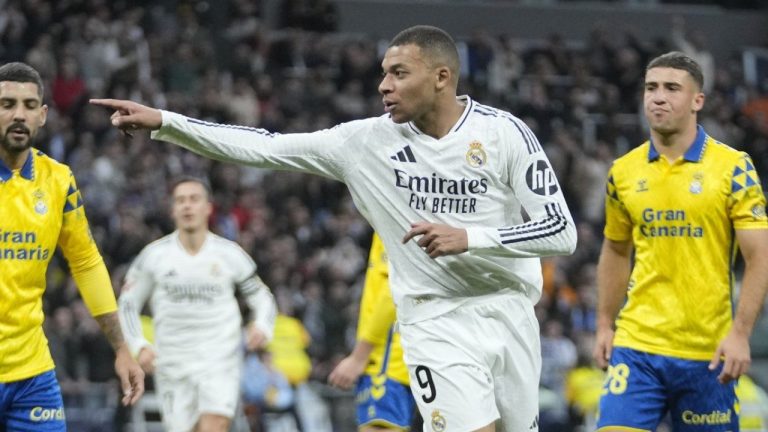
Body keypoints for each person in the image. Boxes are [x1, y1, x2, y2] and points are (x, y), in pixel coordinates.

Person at [92, 24, 577, 432]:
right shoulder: (363, 143)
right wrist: (167, 122)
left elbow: (561, 231)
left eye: (398, 73)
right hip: (434, 319)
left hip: (511, 311)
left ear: (441, 78)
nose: (383, 85)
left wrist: (470, 237)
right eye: (383, 74)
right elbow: (267, 146)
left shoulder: (503, 133)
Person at [592, 51, 768, 431]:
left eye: (672, 88)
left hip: (707, 354)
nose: (658, 97)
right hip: (637, 347)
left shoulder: (734, 168)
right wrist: (605, 323)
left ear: (697, 101)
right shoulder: (622, 172)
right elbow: (615, 249)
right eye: (651, 88)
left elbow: (760, 257)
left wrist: (740, 334)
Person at [0, 61, 144, 431]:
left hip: (32, 373)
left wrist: (121, 349)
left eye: (30, 105)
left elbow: (86, 263)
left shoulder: (58, 180)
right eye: (7, 104)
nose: (19, 115)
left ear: (43, 115)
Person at [117, 176, 277, 432]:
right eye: (180, 201)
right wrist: (139, 345)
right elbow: (127, 304)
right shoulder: (154, 256)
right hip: (172, 362)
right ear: (172, 209)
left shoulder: (230, 254)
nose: (187, 206)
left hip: (220, 358)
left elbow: (262, 297)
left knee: (215, 425)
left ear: (208, 207)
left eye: (194, 199)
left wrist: (261, 326)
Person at [329, 233, 417, 431]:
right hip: (401, 359)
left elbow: (392, 290)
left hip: (386, 363)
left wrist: (359, 356)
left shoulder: (391, 224)